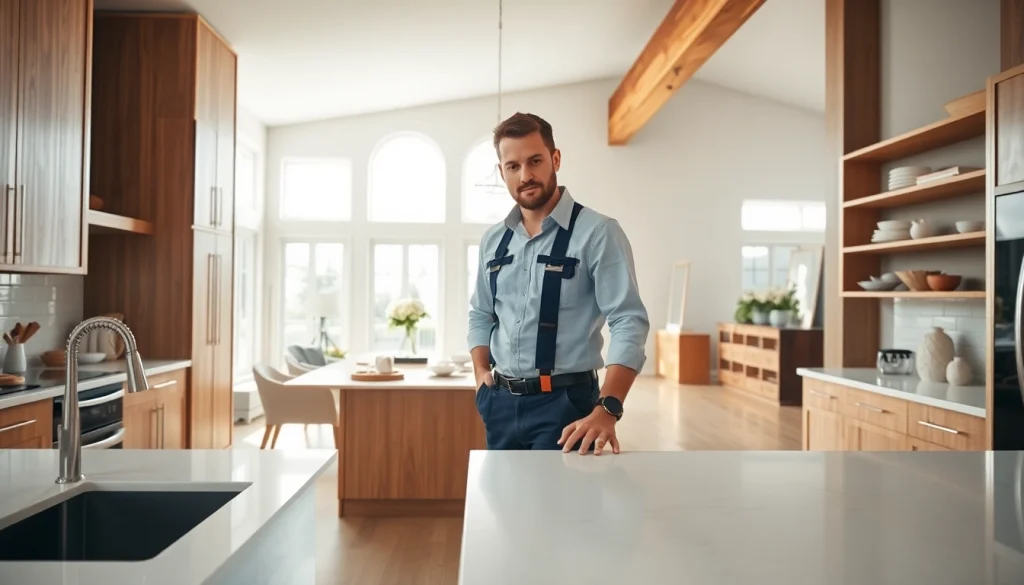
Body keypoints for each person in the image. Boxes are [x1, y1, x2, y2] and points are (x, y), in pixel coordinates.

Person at [467, 112, 650, 455]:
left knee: (561, 508)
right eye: (513, 166)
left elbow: (628, 320)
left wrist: (609, 408)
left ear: (555, 159)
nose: (526, 175)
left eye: (535, 161)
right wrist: (480, 375)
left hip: (566, 406)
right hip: (500, 406)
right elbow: (480, 313)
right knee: (505, 507)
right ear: (501, 171)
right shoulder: (493, 240)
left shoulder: (598, 232)